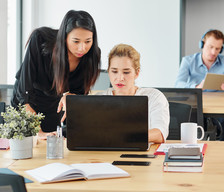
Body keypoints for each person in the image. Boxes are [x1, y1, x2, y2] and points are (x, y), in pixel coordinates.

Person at [11, 10, 101, 139]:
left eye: (88, 41)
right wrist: (37, 131)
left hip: (53, 108)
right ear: (64, 37)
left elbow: (80, 93)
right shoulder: (40, 39)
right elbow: (24, 89)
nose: (82, 48)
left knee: (51, 148)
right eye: (76, 41)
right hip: (26, 103)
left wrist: (71, 97)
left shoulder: (92, 56)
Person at [175, 29, 224, 140]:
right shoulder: (188, 61)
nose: (213, 52)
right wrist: (196, 87)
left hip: (220, 109)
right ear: (202, 44)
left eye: (217, 49)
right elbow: (178, 84)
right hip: (197, 107)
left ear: (221, 49)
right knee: (191, 127)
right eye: (210, 47)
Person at [96, 44, 169, 144]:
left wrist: (127, 137)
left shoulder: (154, 96)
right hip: (104, 156)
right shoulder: (98, 99)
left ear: (137, 73)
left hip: (142, 154)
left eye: (126, 72)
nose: (120, 77)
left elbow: (160, 134)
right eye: (114, 71)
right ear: (108, 72)